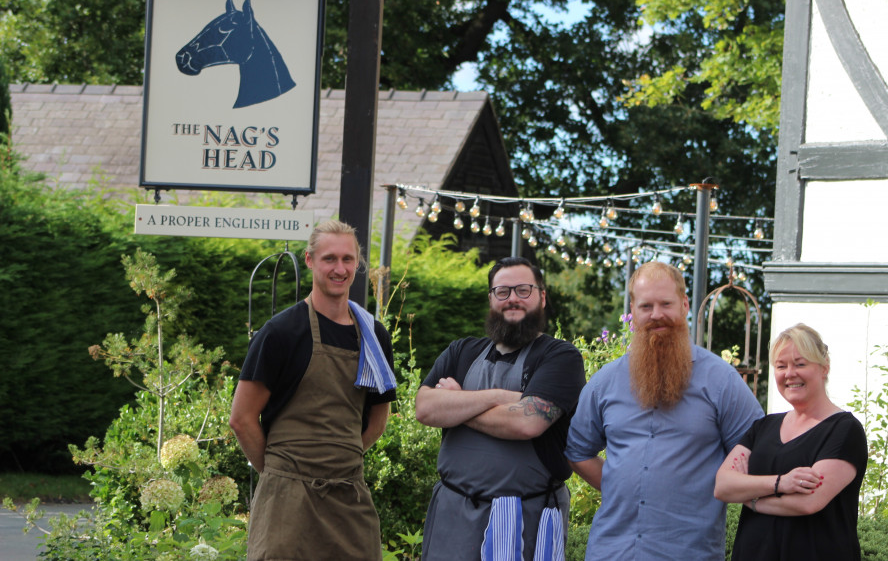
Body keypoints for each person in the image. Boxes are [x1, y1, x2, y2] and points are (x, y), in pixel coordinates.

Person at [565, 261, 763, 560]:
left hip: (688, 552)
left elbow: (757, 451)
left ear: (684, 305)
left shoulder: (721, 381)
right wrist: (622, 485)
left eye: (666, 304)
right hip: (612, 551)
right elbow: (578, 451)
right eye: (646, 306)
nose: (656, 314)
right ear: (633, 310)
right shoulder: (606, 381)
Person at [229, 219, 396, 561]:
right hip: (286, 500)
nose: (340, 268)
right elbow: (242, 418)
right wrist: (282, 471)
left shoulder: (373, 336)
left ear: (357, 263)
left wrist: (339, 459)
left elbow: (379, 417)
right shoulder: (281, 332)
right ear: (309, 260)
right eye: (329, 259)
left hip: (349, 498)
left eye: (348, 259)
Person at [415, 256, 586, 561]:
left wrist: (458, 403)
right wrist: (500, 398)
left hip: (524, 521)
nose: (513, 300)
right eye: (502, 292)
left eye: (523, 290)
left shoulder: (560, 357)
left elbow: (526, 424)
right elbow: (425, 408)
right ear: (491, 299)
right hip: (451, 518)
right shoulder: (461, 351)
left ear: (542, 297)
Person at [714, 323, 868, 561]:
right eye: (781, 365)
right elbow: (723, 485)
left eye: (800, 364)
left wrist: (750, 497)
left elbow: (808, 501)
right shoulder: (763, 427)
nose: (789, 373)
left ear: (824, 367)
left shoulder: (844, 430)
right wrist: (781, 483)